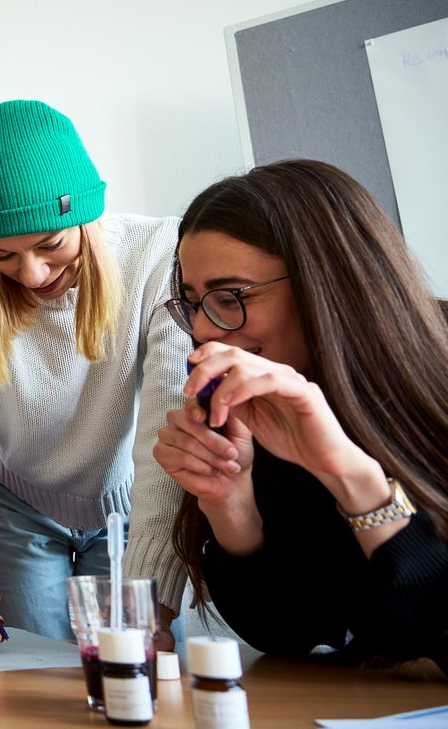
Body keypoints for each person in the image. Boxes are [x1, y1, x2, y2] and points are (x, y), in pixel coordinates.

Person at [0, 100, 190, 648]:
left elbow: (168, 435)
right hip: (14, 505)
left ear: (86, 215)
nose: (31, 274)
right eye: (0, 255)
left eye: (50, 245)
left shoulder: (160, 260)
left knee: (134, 671)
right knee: (35, 675)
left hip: (130, 503)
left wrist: (158, 593)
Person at [154, 159, 448, 673]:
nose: (203, 328)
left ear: (325, 280)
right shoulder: (259, 404)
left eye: (230, 297)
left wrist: (349, 473)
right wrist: (233, 504)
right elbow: (291, 630)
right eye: (193, 302)